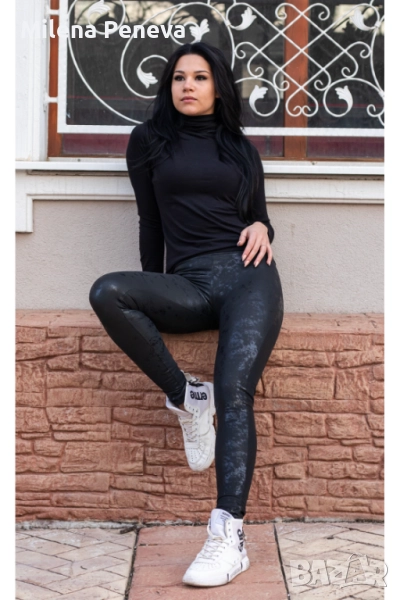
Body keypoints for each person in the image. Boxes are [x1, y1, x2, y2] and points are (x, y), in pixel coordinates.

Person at [89, 41, 284, 588]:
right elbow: (150, 222)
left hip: (249, 279)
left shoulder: (240, 147)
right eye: (179, 78)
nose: (188, 86)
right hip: (191, 282)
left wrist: (264, 226)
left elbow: (261, 219)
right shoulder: (149, 141)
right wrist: (154, 287)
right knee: (107, 292)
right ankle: (187, 396)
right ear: (168, 87)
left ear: (217, 87)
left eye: (199, 77)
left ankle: (229, 535)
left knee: (236, 393)